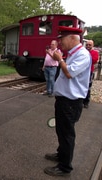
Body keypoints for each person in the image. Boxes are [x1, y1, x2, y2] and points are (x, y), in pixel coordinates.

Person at [44, 26, 91, 176]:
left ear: (72, 38)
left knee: (67, 134)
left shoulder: (83, 55)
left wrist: (59, 60)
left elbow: (69, 73)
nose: (60, 42)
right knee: (61, 130)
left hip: (70, 102)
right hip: (64, 100)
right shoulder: (73, 54)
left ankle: (65, 168)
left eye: (62, 39)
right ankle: (61, 154)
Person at [83, 40, 99, 108]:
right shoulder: (83, 51)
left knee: (88, 87)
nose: (88, 46)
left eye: (90, 45)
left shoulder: (95, 52)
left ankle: (86, 102)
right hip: (82, 72)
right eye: (87, 45)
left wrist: (87, 56)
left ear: (93, 45)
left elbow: (94, 60)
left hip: (89, 72)